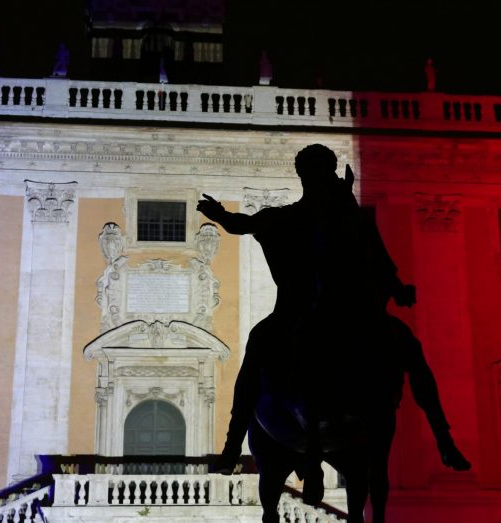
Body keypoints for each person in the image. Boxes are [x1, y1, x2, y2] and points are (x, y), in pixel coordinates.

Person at [198, 145, 469, 500]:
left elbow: (379, 257)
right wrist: (220, 215)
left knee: (410, 349)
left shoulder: (348, 218)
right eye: (313, 173)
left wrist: (398, 289)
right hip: (295, 309)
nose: (319, 179)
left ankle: (444, 439)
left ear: (327, 173)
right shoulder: (291, 216)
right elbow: (243, 224)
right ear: (304, 177)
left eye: (323, 172)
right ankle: (234, 444)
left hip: (350, 308)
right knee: (258, 345)